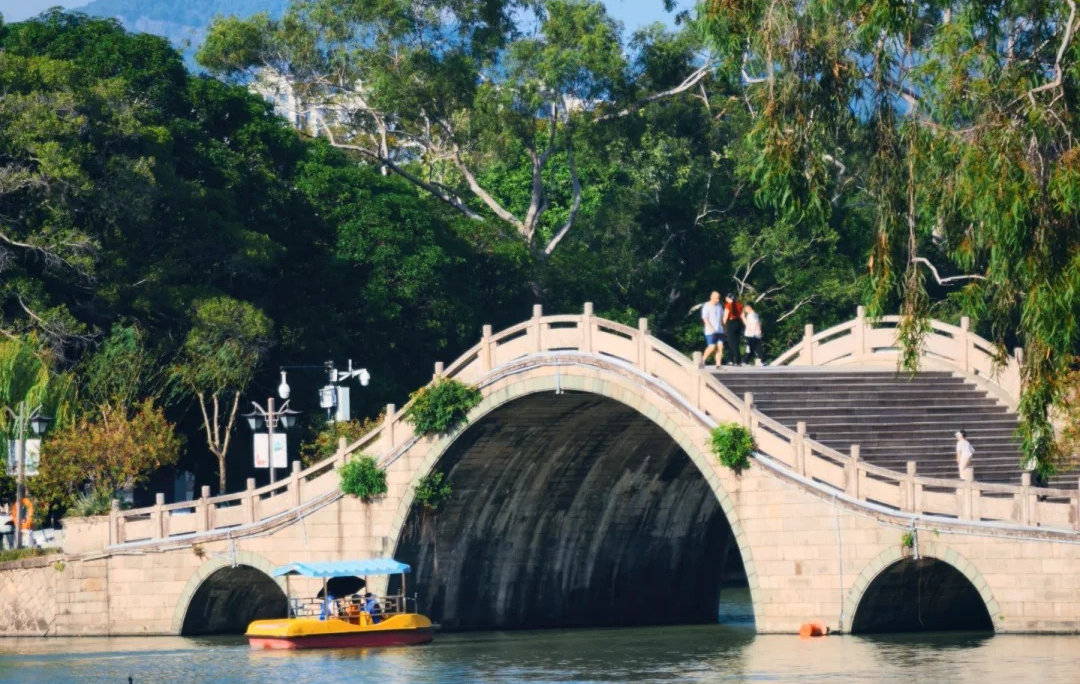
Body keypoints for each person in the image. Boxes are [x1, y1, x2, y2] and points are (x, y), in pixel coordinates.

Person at [700, 291, 725, 368]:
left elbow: (722, 317)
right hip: (710, 330)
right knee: (712, 346)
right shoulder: (706, 306)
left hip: (719, 330)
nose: (717, 300)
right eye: (715, 298)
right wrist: (710, 327)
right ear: (711, 297)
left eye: (718, 298)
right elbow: (705, 318)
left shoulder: (719, 306)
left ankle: (718, 364)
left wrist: (725, 327)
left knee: (720, 346)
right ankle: (702, 360)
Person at [722, 293, 744, 366]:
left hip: (731, 323)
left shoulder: (728, 305)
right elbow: (742, 316)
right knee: (736, 342)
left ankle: (738, 360)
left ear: (728, 298)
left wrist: (723, 326)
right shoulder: (740, 305)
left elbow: (725, 317)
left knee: (731, 342)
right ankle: (730, 359)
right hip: (738, 323)